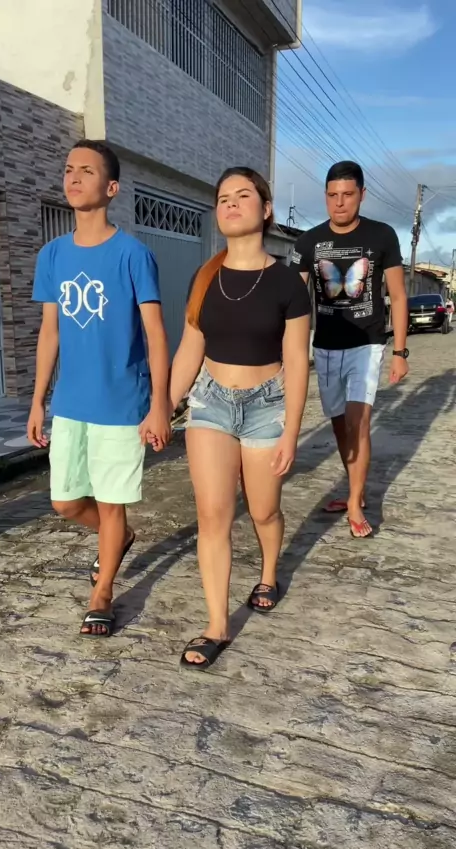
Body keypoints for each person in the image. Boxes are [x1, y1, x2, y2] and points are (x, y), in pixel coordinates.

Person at [163, 166, 311, 670]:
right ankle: (216, 624)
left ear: (265, 210)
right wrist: (164, 405)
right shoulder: (205, 277)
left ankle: (268, 573)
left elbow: (296, 361)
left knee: (264, 510)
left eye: (242, 195)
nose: (229, 203)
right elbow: (190, 348)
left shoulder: (288, 282)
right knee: (213, 515)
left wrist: (291, 431)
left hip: (267, 405)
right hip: (210, 403)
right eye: (223, 197)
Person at [27, 139, 170, 637]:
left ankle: (103, 592)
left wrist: (159, 404)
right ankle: (119, 538)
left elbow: (155, 334)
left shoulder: (133, 255)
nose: (74, 177)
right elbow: (50, 332)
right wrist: (37, 401)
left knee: (111, 502)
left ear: (110, 188)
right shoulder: (52, 255)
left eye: (87, 171)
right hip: (70, 403)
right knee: (65, 502)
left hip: (122, 403)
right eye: (69, 169)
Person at [292, 161, 409, 538]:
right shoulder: (308, 242)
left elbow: (398, 295)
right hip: (326, 345)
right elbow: (293, 298)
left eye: (347, 194)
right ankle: (352, 487)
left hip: (367, 343)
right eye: (332, 195)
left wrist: (400, 352)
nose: (339, 202)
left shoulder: (382, 235)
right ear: (325, 196)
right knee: (340, 426)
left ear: (362, 195)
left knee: (358, 423)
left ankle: (356, 502)